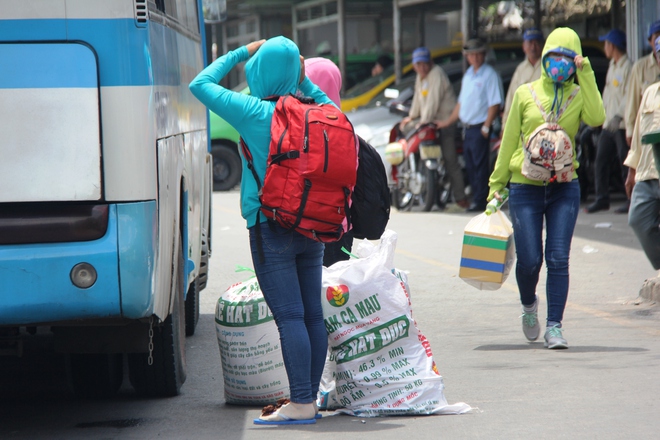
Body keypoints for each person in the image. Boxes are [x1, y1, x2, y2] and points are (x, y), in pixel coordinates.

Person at [189, 36, 336, 425]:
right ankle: (310, 398)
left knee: (289, 316)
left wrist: (241, 52)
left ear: (260, 71)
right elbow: (336, 111)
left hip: (270, 226)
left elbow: (200, 84)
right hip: (312, 225)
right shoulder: (317, 110)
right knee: (311, 317)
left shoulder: (253, 110)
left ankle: (302, 402)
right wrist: (302, 79)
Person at [488, 27, 605, 349]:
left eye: (568, 59)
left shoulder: (579, 94)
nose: (560, 64)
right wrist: (496, 186)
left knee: (558, 257)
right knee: (529, 260)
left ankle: (555, 326)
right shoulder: (525, 93)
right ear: (544, 58)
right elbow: (509, 139)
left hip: (564, 188)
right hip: (525, 187)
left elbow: (597, 118)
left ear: (575, 61)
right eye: (554, 57)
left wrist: (587, 73)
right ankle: (529, 306)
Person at [436, 38, 503, 212]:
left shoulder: (490, 74)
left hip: (480, 127)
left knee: (480, 167)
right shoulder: (468, 75)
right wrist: (447, 122)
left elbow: (494, 103)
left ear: (484, 54)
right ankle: (476, 197)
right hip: (467, 128)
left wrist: (486, 127)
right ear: (467, 57)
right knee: (471, 166)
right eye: (471, 55)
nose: (475, 58)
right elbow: (460, 104)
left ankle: (480, 200)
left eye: (478, 54)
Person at [399, 46, 468, 209]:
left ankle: (461, 198)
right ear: (414, 66)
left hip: (444, 123)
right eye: (418, 64)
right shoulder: (420, 77)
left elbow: (432, 102)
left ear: (430, 62)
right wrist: (412, 116)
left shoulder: (436, 74)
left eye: (424, 63)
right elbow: (418, 99)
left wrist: (423, 121)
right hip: (429, 124)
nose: (422, 67)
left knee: (450, 159)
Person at [303, 57, 354, 266]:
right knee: (334, 294)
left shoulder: (301, 127)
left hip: (305, 225)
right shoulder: (347, 129)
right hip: (340, 227)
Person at [623, 35, 660, 272]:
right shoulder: (650, 93)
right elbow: (638, 136)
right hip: (647, 174)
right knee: (637, 219)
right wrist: (631, 171)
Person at [586, 29, 632, 214]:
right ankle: (601, 198)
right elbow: (606, 95)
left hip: (620, 125)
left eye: (606, 44)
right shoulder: (612, 66)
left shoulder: (627, 67)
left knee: (625, 162)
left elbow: (629, 97)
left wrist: (618, 115)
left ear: (612, 46)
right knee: (601, 160)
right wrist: (600, 115)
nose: (605, 47)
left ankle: (631, 199)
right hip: (608, 124)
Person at [625, 20, 660, 147]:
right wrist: (630, 130)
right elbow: (632, 101)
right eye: (656, 37)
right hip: (647, 131)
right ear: (650, 41)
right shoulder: (640, 67)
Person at [502, 27, 544, 128]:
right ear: (524, 47)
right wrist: (505, 125)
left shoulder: (549, 67)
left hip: (543, 122)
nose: (533, 47)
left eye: (537, 43)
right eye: (530, 43)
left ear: (543, 45)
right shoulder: (520, 69)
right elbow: (511, 98)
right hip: (523, 123)